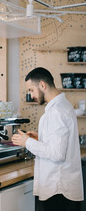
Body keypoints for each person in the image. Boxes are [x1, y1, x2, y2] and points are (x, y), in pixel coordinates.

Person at [12, 67, 84, 211]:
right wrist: (41, 137)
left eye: (31, 90)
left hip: (58, 189)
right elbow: (61, 139)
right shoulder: (63, 105)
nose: (31, 95)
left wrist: (27, 142)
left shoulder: (56, 111)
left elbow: (56, 153)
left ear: (42, 85)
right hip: (62, 187)